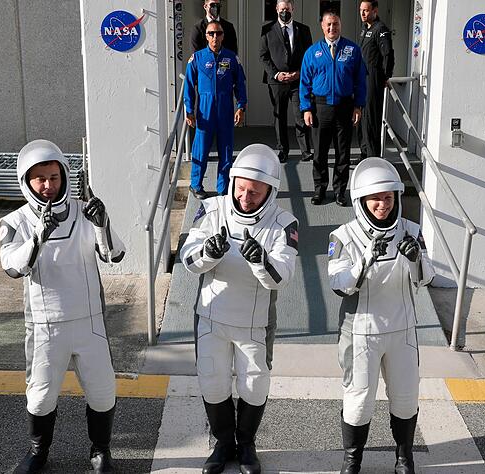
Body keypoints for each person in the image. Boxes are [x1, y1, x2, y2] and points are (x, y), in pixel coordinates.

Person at [0, 140, 126, 474]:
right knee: (40, 398)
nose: (48, 186)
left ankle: (101, 452)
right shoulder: (16, 221)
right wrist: (38, 236)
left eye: (53, 177)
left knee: (103, 393)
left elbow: (114, 255)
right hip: (45, 325)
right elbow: (13, 267)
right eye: (39, 178)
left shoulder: (85, 211)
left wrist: (102, 222)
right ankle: (38, 452)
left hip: (90, 322)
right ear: (25, 181)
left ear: (64, 176)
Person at [180, 144, 299, 474]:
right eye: (242, 189)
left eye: (255, 193)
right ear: (232, 182)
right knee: (212, 381)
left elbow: (282, 276)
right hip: (210, 316)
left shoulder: (284, 222)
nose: (246, 198)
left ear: (269, 193)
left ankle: (246, 444)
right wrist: (208, 251)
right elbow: (188, 258)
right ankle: (222, 442)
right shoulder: (210, 208)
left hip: (254, 323)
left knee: (254, 384)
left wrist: (260, 259)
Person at [328, 158, 435, 474]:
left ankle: (404, 458)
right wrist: (364, 261)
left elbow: (426, 278)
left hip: (402, 329)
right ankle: (352, 459)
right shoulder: (342, 237)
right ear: (360, 199)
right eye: (375, 198)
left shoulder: (412, 231)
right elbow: (338, 284)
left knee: (405, 398)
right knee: (359, 401)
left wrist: (416, 259)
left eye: (388, 197)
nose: (383, 204)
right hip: (362, 331)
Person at [300, 10, 367, 207]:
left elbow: (360, 81)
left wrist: (358, 106)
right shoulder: (312, 52)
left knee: (343, 153)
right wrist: (306, 109)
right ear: (322, 26)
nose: (332, 28)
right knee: (320, 153)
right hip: (321, 108)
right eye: (328, 24)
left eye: (335, 24)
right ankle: (319, 190)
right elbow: (304, 83)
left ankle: (339, 192)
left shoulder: (352, 50)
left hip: (345, 107)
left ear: (340, 25)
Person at [185, 19, 247, 199]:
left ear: (223, 36)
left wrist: (241, 106)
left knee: (226, 151)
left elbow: (240, 84)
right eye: (211, 33)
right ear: (206, 36)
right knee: (200, 150)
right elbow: (189, 86)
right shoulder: (197, 58)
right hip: (204, 112)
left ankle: (223, 188)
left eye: (218, 33)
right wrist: (189, 110)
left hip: (225, 110)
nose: (215, 37)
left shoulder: (231, 57)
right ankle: (196, 185)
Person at [259, 0, 314, 163]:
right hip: (277, 81)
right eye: (282, 9)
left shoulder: (303, 30)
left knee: (301, 114)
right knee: (280, 116)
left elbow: (308, 56)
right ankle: (282, 150)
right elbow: (263, 55)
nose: (285, 12)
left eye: (288, 9)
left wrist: (299, 73)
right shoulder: (267, 29)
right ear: (277, 9)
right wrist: (276, 74)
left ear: (293, 9)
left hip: (298, 81)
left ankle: (305, 151)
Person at [357, 1, 394, 162]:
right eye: (361, 10)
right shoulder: (366, 29)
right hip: (362, 78)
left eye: (366, 10)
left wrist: (385, 76)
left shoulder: (381, 29)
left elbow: (388, 55)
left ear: (375, 11)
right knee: (362, 119)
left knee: (371, 119)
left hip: (373, 78)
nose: (363, 14)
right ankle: (364, 153)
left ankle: (372, 158)